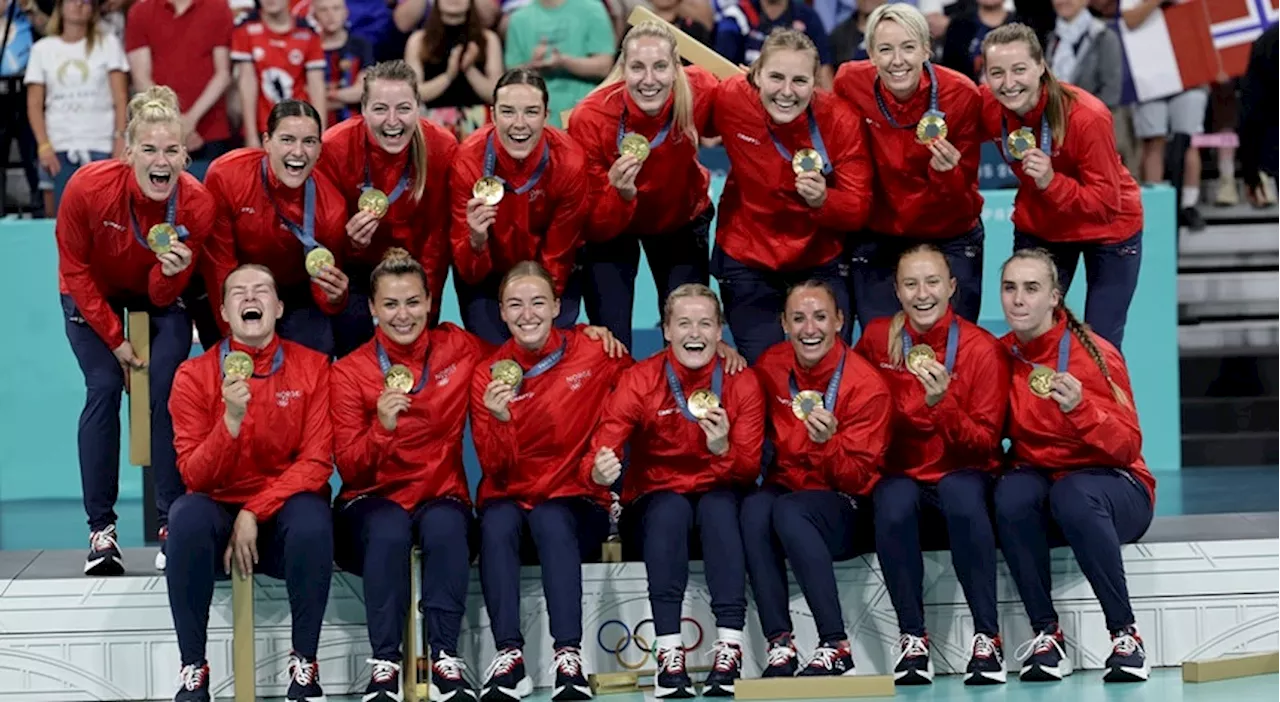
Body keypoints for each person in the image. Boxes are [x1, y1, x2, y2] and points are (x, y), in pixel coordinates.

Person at [331, 249, 626, 702]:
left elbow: (645, 382)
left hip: (453, 495)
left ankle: (449, 655)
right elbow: (350, 468)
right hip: (375, 498)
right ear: (372, 309)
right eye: (390, 304)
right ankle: (387, 664)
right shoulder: (351, 373)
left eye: (412, 302)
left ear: (432, 303)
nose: (403, 314)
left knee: (453, 524)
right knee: (408, 527)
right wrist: (381, 430)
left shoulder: (463, 350)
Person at [55, 85, 217, 575]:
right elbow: (76, 271)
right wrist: (119, 342)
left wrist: (170, 274)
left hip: (154, 294)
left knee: (165, 393)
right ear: (128, 154)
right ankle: (101, 532)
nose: (160, 160)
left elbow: (165, 298)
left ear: (185, 155)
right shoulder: (86, 187)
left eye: (171, 150)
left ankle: (173, 525)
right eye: (148, 149)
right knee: (104, 387)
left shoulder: (197, 206)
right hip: (93, 292)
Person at [166, 264, 335, 702]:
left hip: (280, 517)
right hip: (217, 515)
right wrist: (229, 421)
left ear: (278, 308)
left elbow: (318, 463)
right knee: (185, 516)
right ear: (223, 312)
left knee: (314, 516)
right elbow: (193, 475)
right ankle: (192, 668)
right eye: (238, 293)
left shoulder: (314, 368)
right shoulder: (191, 377)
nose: (250, 298)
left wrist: (254, 510)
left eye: (262, 290)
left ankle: (304, 664)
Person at [586, 284, 764, 698]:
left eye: (705, 323)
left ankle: (729, 648)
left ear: (721, 331)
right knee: (670, 511)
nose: (694, 333)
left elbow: (749, 468)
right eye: (683, 323)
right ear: (666, 330)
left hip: (719, 491)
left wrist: (722, 449)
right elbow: (605, 443)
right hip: (654, 502)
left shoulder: (742, 381)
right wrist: (597, 468)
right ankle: (669, 654)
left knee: (720, 508)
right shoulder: (640, 379)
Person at [469, 261, 632, 702]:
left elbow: (643, 389)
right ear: (501, 312)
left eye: (538, 302)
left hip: (578, 501)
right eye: (515, 305)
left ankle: (568, 657)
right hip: (511, 498)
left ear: (558, 306)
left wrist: (604, 457)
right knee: (496, 523)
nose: (528, 314)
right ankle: (509, 656)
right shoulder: (487, 374)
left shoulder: (594, 350)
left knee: (551, 518)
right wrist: (500, 419)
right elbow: (494, 468)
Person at [994, 247, 1155, 684]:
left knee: (1073, 493)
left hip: (1117, 489)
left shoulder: (1094, 354)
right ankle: (1046, 635)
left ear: (1054, 297)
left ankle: (1126, 637)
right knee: (1010, 492)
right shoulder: (1000, 356)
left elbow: (1127, 447)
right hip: (1047, 488)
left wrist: (1082, 408)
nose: (1019, 300)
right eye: (1010, 288)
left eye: (1031, 289)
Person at [853, 245, 1008, 686]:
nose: (923, 294)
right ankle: (913, 639)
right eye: (911, 284)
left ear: (952, 288)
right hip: (905, 477)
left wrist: (942, 406)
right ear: (897, 291)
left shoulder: (980, 349)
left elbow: (983, 445)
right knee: (891, 497)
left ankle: (987, 636)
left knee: (961, 492)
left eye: (933, 282)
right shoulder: (877, 339)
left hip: (964, 473)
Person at [740, 280, 892, 677]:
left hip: (847, 504)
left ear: (840, 320)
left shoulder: (866, 385)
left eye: (821, 317)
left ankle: (834, 644)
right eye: (799, 318)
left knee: (790, 511)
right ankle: (780, 644)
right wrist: (723, 352)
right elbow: (736, 389)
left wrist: (829, 444)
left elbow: (857, 478)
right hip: (789, 486)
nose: (811, 329)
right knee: (755, 507)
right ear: (784, 325)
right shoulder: (770, 367)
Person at [709, 28, 871, 363]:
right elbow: (676, 94)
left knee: (826, 365)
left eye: (799, 80)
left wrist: (824, 200)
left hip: (819, 257)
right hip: (746, 254)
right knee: (765, 367)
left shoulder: (841, 119)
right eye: (776, 77)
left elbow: (857, 208)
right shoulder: (729, 98)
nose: (786, 92)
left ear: (815, 82)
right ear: (756, 75)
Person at [980, 23, 1143, 351]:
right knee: (1031, 332)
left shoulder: (1086, 116)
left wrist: (1052, 183)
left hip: (1110, 230)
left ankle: (1102, 403)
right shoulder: (988, 105)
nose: (1009, 84)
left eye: (1019, 70)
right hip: (1044, 225)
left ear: (1041, 66)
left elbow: (1105, 204)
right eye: (997, 72)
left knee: (1101, 345)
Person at [568, 20, 717, 352]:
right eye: (637, 67)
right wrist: (621, 195)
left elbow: (748, 110)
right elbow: (593, 221)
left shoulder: (700, 90)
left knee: (690, 332)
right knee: (612, 344)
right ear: (623, 69)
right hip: (613, 229)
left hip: (680, 217)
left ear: (676, 67)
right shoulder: (590, 117)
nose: (649, 80)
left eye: (660, 66)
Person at [834, 3, 985, 328]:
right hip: (879, 233)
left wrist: (947, 174)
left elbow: (964, 198)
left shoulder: (961, 95)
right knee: (881, 347)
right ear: (871, 53)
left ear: (926, 49)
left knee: (955, 347)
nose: (897, 60)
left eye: (908, 47)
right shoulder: (849, 81)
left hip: (949, 233)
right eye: (885, 49)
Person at [319, 59, 458, 356]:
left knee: (416, 343)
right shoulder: (334, 147)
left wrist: (425, 307)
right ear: (364, 109)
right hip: (355, 267)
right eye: (380, 109)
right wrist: (351, 243)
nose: (392, 121)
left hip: (417, 265)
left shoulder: (441, 147)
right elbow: (324, 236)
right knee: (354, 344)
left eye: (404, 109)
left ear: (418, 108)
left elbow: (438, 236)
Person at [450, 69, 589, 347]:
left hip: (550, 273)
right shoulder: (467, 162)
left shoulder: (570, 162)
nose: (519, 124)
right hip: (486, 276)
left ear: (546, 115)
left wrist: (533, 307)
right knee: (491, 358)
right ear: (493, 114)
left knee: (544, 349)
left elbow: (558, 254)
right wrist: (476, 240)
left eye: (531, 112)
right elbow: (468, 271)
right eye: (508, 112)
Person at [202, 100, 351, 356]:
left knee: (319, 349)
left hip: (293, 293)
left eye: (309, 142)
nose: (298, 151)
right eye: (287, 139)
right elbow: (220, 266)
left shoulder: (331, 209)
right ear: (267, 142)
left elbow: (323, 294)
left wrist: (335, 297)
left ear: (319, 149)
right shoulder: (226, 176)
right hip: (231, 287)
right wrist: (237, 341)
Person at [23, 0, 130, 212]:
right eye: (72, 0)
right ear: (60, 7)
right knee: (57, 218)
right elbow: (34, 104)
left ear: (93, 10)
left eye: (86, 1)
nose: (79, 5)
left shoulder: (108, 44)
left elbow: (120, 96)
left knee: (105, 215)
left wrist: (120, 138)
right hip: (58, 144)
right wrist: (43, 145)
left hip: (101, 143)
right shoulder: (42, 49)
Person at [404, 0, 503, 140]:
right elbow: (414, 94)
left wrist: (469, 69)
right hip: (433, 122)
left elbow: (497, 94)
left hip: (479, 122)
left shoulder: (488, 39)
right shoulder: (419, 40)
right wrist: (449, 76)